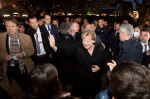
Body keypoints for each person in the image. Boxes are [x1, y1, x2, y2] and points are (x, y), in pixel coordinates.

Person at [0, 17, 35, 92]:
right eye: (7, 26)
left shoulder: (26, 37)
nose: (10, 29)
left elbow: (32, 50)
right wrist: (4, 57)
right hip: (9, 66)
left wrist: (23, 53)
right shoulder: (1, 37)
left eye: (12, 26)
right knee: (17, 84)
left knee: (27, 85)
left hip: (23, 65)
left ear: (17, 27)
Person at [48, 23, 79, 92]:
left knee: (63, 84)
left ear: (60, 31)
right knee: (73, 84)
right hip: (74, 69)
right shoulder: (77, 43)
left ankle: (64, 95)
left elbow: (54, 58)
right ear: (70, 31)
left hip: (61, 69)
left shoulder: (57, 43)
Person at [75, 31, 105, 99]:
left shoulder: (100, 48)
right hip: (83, 79)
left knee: (95, 96)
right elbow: (85, 63)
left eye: (87, 41)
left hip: (96, 79)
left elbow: (104, 61)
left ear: (93, 40)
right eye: (83, 41)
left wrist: (99, 67)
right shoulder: (79, 49)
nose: (85, 43)